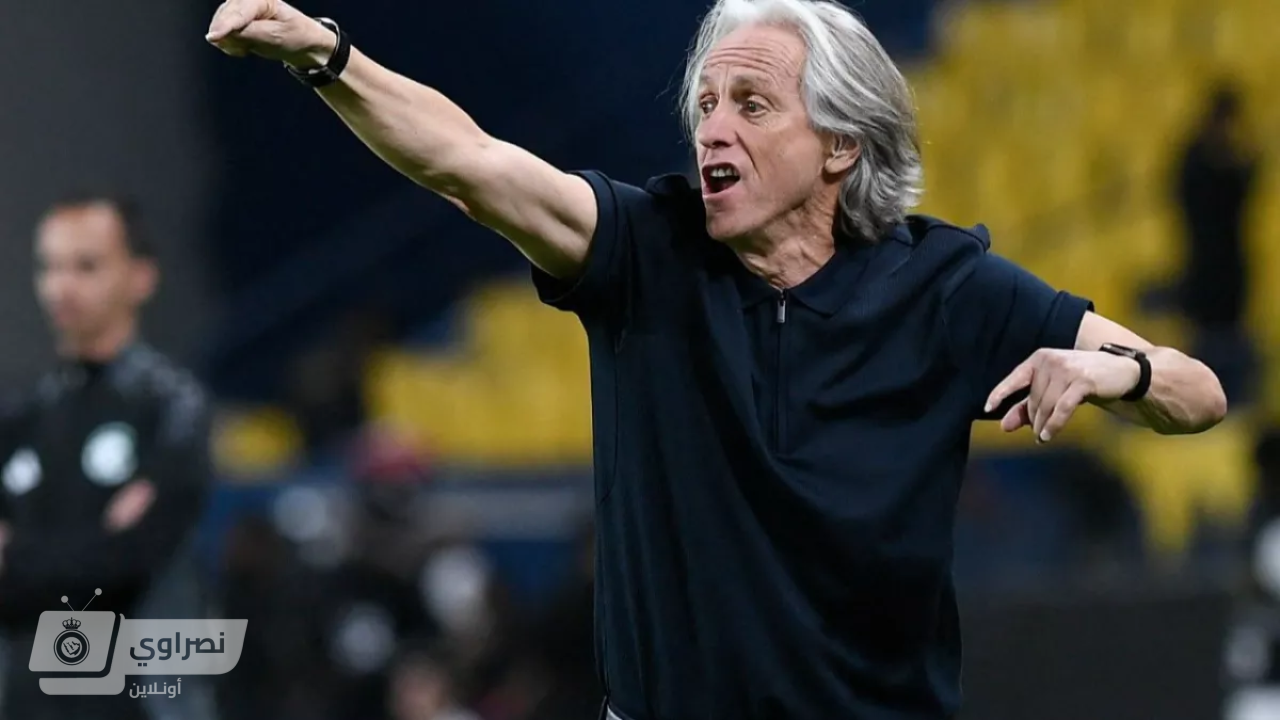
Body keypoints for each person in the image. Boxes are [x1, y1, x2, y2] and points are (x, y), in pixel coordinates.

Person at [205, 0, 1228, 717]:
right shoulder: (643, 252)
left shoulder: (947, 286)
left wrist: (1121, 371)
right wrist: (327, 56)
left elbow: (1199, 393)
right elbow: (468, 163)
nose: (712, 130)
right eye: (704, 104)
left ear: (840, 145)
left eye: (751, 104)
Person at [0, 195, 215, 720]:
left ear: (141, 277)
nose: (62, 286)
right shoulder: (22, 416)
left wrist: (19, 557)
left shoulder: (171, 405)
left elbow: (128, 560)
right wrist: (89, 546)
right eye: (50, 267)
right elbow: (99, 560)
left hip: (146, 702)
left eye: (87, 266)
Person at [1173, 83, 1259, 405]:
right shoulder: (1198, 162)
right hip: (1205, 271)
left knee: (1229, 347)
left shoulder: (1223, 162)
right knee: (1209, 350)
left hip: (1229, 273)